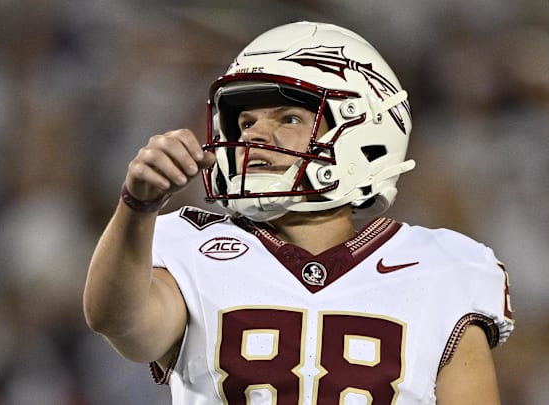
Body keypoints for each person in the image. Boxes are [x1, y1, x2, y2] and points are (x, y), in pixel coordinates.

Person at [83, 21, 514, 404]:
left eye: (288, 118)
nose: (254, 135)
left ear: (365, 134)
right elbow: (118, 321)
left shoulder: (442, 269)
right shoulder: (191, 246)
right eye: (246, 122)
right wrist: (137, 207)